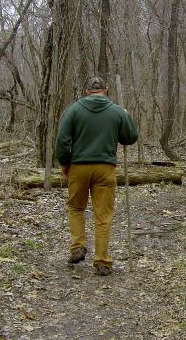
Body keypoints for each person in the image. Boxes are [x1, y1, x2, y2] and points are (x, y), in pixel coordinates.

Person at [55, 77, 138, 276]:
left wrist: (65, 163)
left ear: (86, 91)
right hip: (105, 168)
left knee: (75, 207)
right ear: (106, 90)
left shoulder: (74, 110)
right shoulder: (117, 111)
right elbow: (130, 137)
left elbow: (62, 141)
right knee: (103, 215)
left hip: (79, 167)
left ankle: (78, 247)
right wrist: (126, 117)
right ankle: (102, 262)